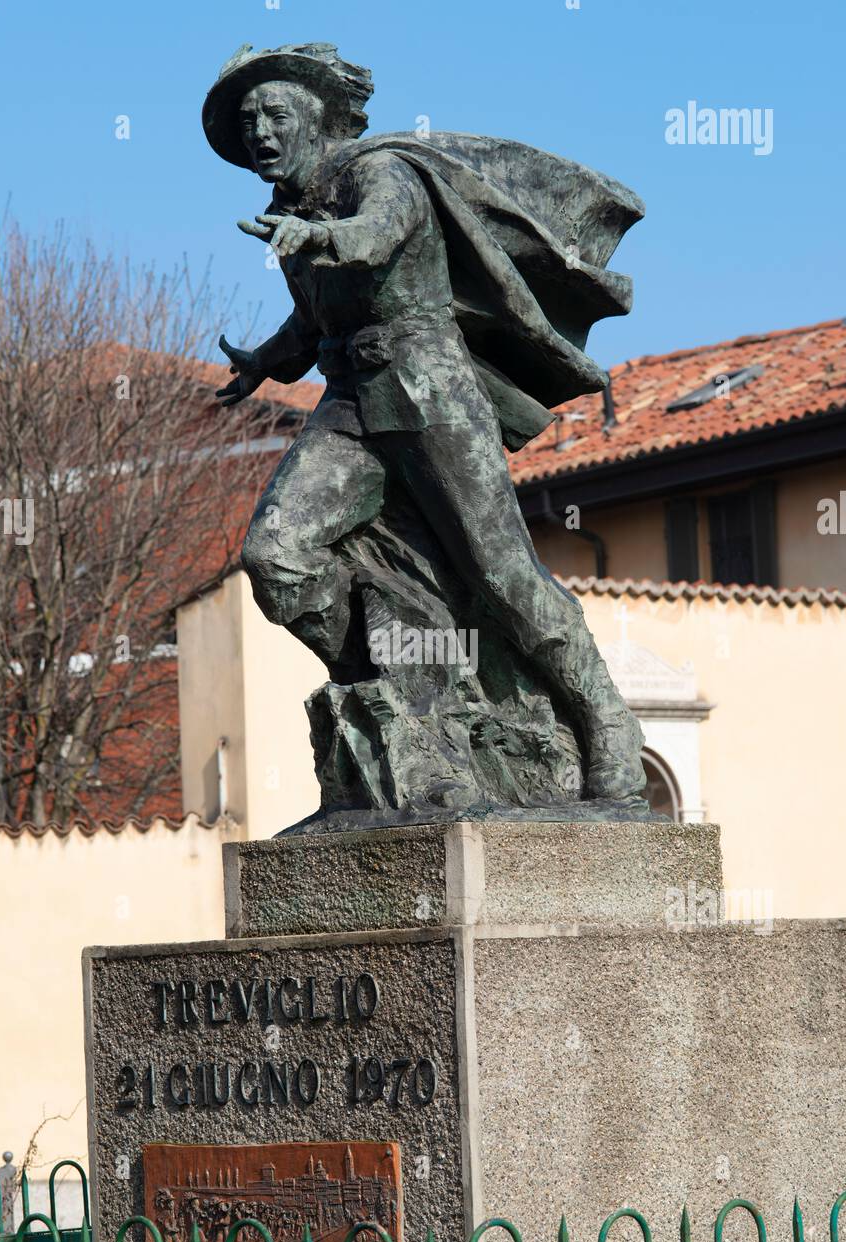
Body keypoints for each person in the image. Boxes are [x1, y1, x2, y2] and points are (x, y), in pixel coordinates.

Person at [203, 43, 646, 800]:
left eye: (276, 114)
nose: (261, 133)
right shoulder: (290, 210)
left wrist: (322, 237)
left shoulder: (381, 172)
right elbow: (314, 322)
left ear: (318, 118)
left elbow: (377, 237)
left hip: (428, 391)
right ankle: (406, 688)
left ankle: (606, 725)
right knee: (277, 559)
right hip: (348, 405)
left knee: (502, 576)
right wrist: (264, 360)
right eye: (249, 122)